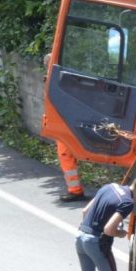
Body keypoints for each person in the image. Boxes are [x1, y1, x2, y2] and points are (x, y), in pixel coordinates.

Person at [42, 52, 86, 202]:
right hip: (65, 122)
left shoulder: (57, 79)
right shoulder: (63, 76)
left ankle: (75, 190)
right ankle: (74, 189)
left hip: (65, 124)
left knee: (66, 155)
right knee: (67, 155)